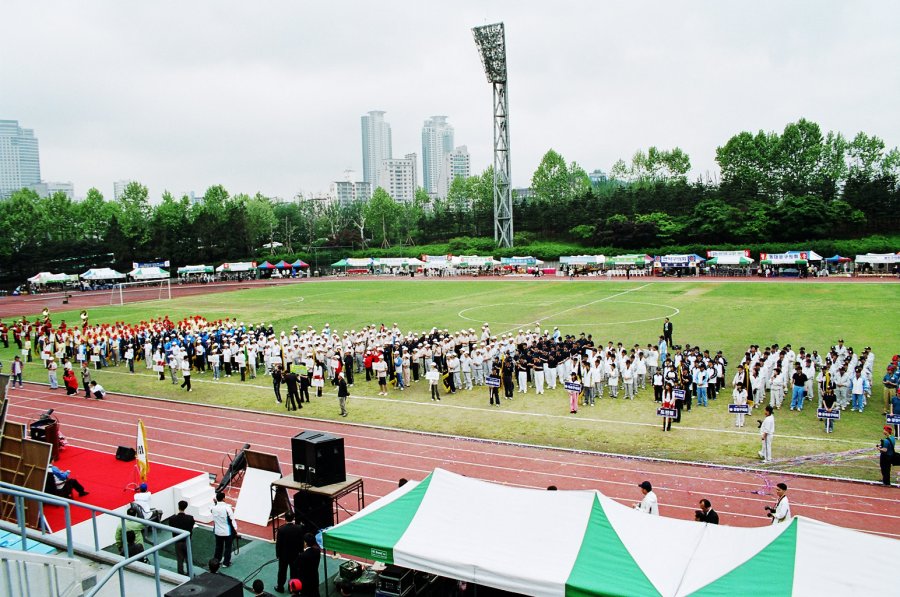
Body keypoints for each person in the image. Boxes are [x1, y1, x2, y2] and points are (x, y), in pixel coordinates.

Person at [275, 513, 304, 594]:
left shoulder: (281, 529)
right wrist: (301, 552)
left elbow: (278, 544)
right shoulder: (298, 528)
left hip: (283, 555)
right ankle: (293, 588)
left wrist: (278, 554)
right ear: (293, 518)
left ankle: (280, 587)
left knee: (282, 571)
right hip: (295, 554)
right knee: (294, 572)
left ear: (285, 518)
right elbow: (301, 542)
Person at [168, 500, 195, 576]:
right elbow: (191, 526)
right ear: (185, 507)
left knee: (180, 559)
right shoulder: (190, 518)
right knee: (188, 558)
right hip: (187, 541)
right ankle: (190, 573)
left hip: (177, 541)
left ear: (178, 506)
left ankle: (180, 574)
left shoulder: (172, 519)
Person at [211, 491, 237, 567]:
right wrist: (235, 530)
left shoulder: (213, 508)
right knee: (228, 548)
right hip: (227, 532)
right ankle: (226, 563)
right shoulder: (227, 508)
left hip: (217, 531)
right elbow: (232, 520)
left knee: (218, 547)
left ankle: (216, 562)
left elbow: (212, 509)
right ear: (223, 498)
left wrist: (215, 503)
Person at [297, 532, 321, 597]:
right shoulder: (317, 551)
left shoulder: (303, 556)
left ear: (305, 543)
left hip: (305, 581)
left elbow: (300, 569)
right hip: (314, 577)